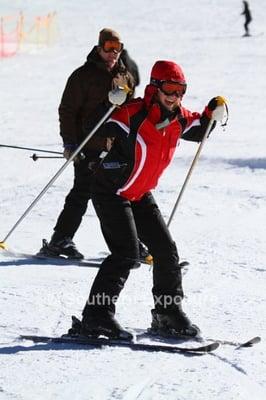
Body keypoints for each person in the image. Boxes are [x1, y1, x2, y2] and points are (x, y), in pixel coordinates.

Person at [70, 60, 226, 340]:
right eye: (169, 88)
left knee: (167, 253)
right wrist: (111, 102)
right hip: (111, 191)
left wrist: (212, 111)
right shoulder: (132, 114)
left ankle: (167, 313)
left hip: (140, 194)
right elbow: (94, 126)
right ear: (155, 87)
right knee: (126, 253)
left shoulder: (179, 117)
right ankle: (96, 317)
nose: (174, 96)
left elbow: (201, 129)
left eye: (180, 90)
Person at [37, 28, 144, 260]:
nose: (113, 53)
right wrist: (70, 143)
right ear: (99, 48)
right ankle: (60, 240)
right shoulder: (82, 76)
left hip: (115, 146)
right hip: (88, 144)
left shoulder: (126, 77)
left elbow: (131, 111)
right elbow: (67, 111)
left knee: (123, 193)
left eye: (118, 48)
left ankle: (131, 242)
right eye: (108, 48)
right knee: (83, 191)